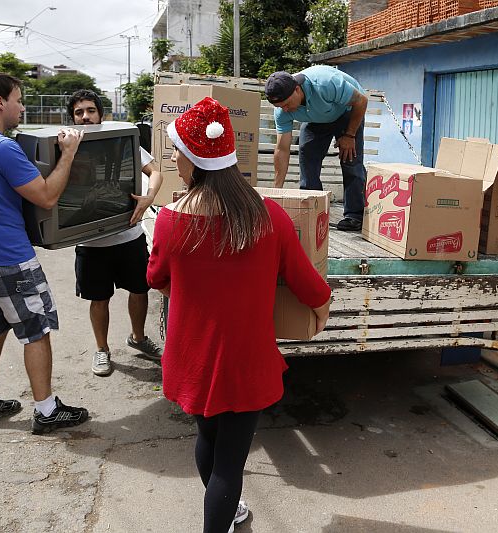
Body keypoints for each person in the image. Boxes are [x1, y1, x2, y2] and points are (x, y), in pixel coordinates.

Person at [146, 97, 331, 533]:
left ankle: (227, 513)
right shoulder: (269, 216)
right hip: (247, 360)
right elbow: (308, 284)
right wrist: (321, 308)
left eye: (177, 150)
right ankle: (225, 515)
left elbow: (156, 277)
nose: (173, 157)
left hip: (192, 357)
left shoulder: (172, 220)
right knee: (231, 462)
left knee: (207, 439)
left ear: (195, 159)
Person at [0, 72, 89, 434]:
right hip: (8, 255)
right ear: (0, 102)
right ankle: (46, 410)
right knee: (36, 328)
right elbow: (46, 196)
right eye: (18, 99)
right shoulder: (1, 146)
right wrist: (68, 155)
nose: (22, 106)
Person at [67, 89, 165, 377]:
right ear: (72, 118)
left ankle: (138, 338)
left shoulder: (123, 142)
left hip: (129, 237)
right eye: (79, 112)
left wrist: (149, 197)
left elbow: (155, 172)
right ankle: (102, 350)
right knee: (99, 299)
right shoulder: (65, 149)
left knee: (139, 289)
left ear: (101, 113)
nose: (86, 116)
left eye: (90, 110)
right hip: (90, 243)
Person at [265, 65, 368, 231]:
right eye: (280, 107)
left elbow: (361, 100)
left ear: (297, 90)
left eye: (287, 104)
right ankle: (313, 209)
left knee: (350, 159)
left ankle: (354, 215)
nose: (285, 109)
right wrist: (276, 192)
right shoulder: (282, 110)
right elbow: (282, 149)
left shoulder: (325, 84)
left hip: (347, 110)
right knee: (307, 155)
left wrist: (349, 136)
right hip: (316, 118)